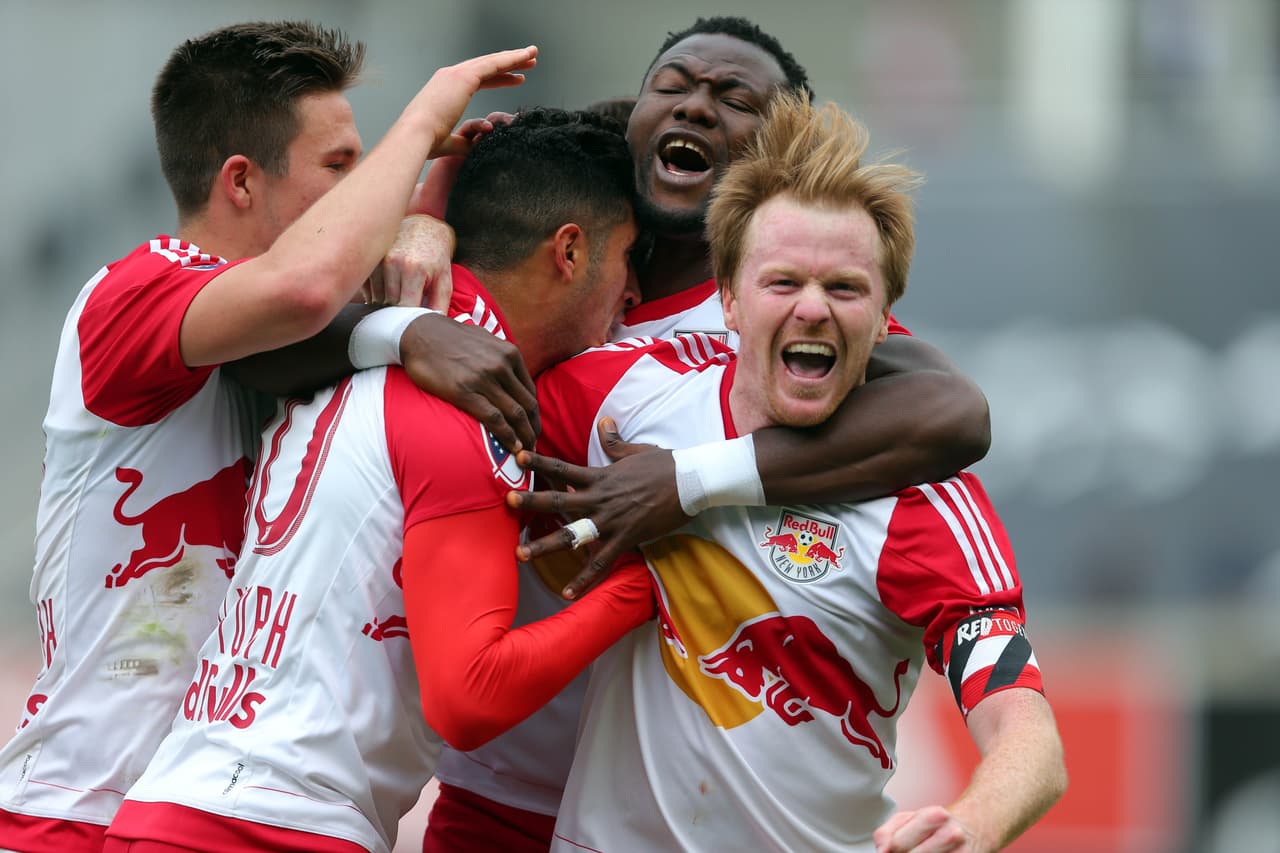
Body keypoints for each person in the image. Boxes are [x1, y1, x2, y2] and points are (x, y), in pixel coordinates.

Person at [424, 16, 991, 851]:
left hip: (649, 814)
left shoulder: (781, 306)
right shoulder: (557, 236)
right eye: (674, 88)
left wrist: (684, 481)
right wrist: (423, 220)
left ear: (777, 155)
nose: (695, 108)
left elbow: (956, 414)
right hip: (494, 794)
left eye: (733, 100)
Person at [0, 20, 538, 852]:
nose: (364, 192)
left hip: (191, 805)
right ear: (242, 183)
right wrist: (425, 115)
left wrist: (428, 211)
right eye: (338, 167)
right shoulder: (132, 291)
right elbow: (307, 289)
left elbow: (332, 314)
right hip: (75, 805)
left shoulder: (259, 333)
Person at [102, 109, 651, 853]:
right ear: (570, 251)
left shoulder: (362, 340)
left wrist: (434, 200)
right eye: (626, 258)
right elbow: (470, 694)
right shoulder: (466, 410)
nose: (633, 296)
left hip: (175, 805)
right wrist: (648, 583)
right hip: (276, 827)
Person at [536, 90, 1067, 853]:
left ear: (887, 322)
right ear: (726, 299)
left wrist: (972, 824)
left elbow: (1028, 734)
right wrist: (420, 232)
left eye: (844, 287)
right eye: (783, 282)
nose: (813, 308)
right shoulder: (620, 398)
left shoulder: (926, 502)